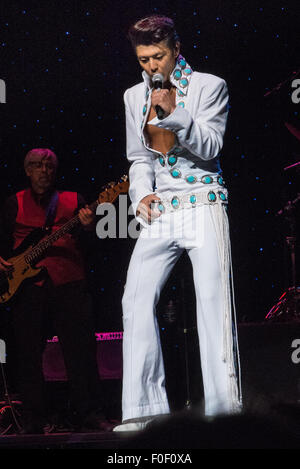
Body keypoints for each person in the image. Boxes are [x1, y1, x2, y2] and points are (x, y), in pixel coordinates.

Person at [113, 15, 242, 432]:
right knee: (134, 300)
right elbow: (139, 157)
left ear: (176, 48)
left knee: (212, 307)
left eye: (158, 56)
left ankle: (224, 413)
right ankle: (144, 411)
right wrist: (141, 195)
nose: (151, 66)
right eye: (144, 58)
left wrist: (176, 114)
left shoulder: (209, 85)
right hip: (162, 211)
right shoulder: (134, 95)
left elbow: (211, 145)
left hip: (203, 202)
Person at [0, 148, 112, 434]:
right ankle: (34, 418)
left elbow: (96, 248)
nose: (44, 170)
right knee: (26, 355)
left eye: (49, 166)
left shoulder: (74, 200)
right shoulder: (13, 203)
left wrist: (89, 228)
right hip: (27, 288)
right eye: (37, 166)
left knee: (81, 353)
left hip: (69, 283)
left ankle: (90, 412)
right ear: (27, 170)